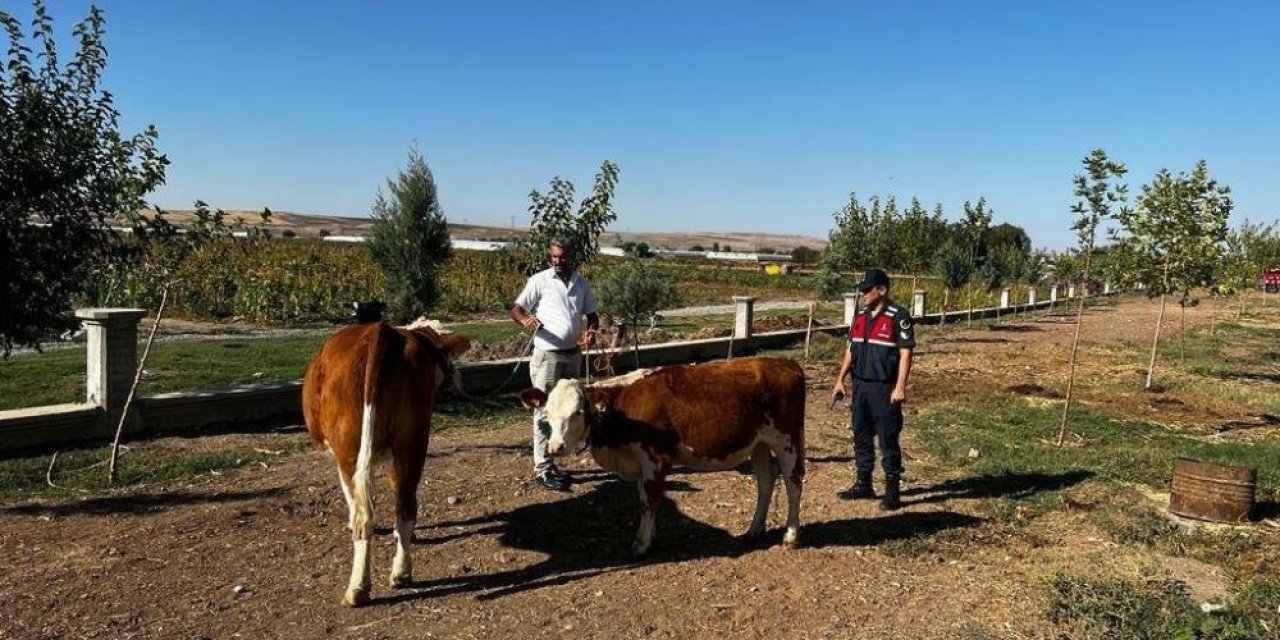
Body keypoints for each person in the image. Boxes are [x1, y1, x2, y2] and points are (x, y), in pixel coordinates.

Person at [511, 238, 599, 491]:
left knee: (568, 410)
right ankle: (543, 467)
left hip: (573, 356)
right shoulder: (539, 280)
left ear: (571, 257)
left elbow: (592, 316)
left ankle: (556, 458)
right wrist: (525, 320)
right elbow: (516, 309)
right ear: (550, 257)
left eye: (563, 257)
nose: (558, 261)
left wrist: (591, 332)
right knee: (544, 411)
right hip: (548, 356)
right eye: (554, 257)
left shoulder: (581, 283)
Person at [831, 268, 916, 510]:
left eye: (868, 290)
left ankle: (892, 492)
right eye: (862, 290)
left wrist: (900, 387)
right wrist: (840, 380)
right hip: (860, 386)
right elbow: (851, 349)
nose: (864, 294)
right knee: (861, 435)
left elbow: (905, 353)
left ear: (882, 290)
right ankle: (863, 484)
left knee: (888, 439)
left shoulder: (898, 316)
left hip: (884, 388)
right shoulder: (859, 316)